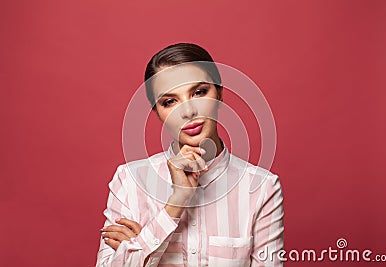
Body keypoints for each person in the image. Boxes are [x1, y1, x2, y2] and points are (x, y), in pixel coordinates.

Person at [96, 43, 284, 266]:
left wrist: (140, 246)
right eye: (169, 101)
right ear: (157, 112)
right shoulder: (129, 181)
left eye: (199, 92)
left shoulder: (263, 187)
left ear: (219, 94)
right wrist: (176, 203)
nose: (188, 112)